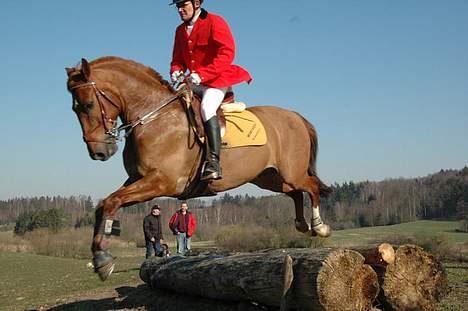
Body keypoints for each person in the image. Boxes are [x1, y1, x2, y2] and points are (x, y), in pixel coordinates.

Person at [169, 0, 252, 181]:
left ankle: (214, 162)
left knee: (207, 108)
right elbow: (177, 59)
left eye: (184, 5)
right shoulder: (179, 30)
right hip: (194, 81)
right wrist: (176, 71)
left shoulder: (215, 21)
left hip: (218, 78)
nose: (180, 9)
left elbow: (226, 53)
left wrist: (203, 74)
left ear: (197, 3)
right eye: (178, 6)